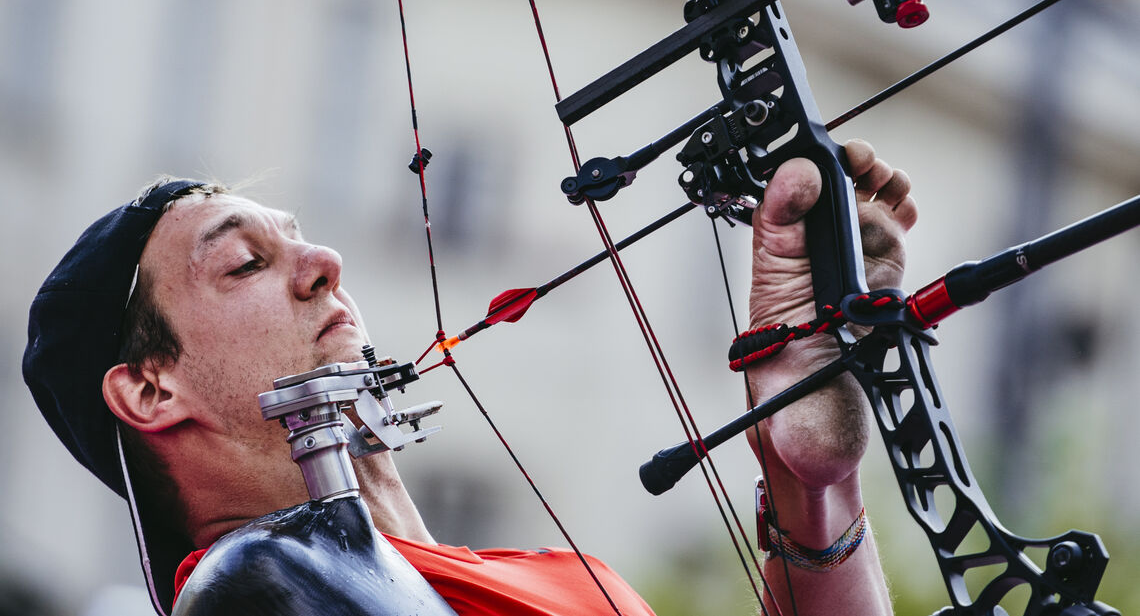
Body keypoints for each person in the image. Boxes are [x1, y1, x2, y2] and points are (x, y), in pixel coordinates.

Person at [23, 139, 914, 615]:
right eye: (246, 264)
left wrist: (811, 486)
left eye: (297, 235)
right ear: (149, 390)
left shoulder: (566, 579)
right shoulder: (251, 586)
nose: (324, 261)